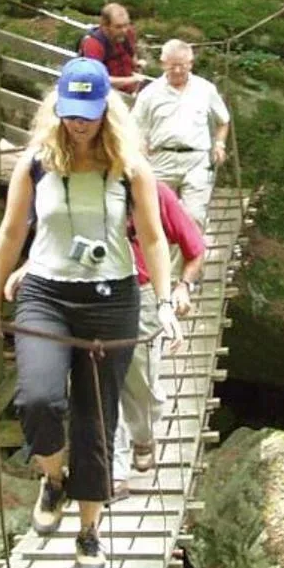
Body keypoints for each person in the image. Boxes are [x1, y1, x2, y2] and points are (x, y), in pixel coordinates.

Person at [0, 57, 181, 568]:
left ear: (105, 111)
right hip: (46, 292)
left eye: (87, 113)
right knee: (39, 399)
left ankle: (89, 531)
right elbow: (10, 232)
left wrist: (165, 303)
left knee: (96, 418)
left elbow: (154, 239)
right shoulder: (36, 162)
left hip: (112, 299)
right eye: (70, 112)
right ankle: (52, 479)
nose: (79, 122)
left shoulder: (130, 167)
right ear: (58, 109)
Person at [113, 180, 205, 493]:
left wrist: (182, 287)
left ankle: (144, 434)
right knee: (98, 379)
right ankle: (115, 469)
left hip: (144, 293)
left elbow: (195, 248)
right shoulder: (86, 185)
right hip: (97, 296)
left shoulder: (155, 192)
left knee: (140, 381)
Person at [132, 38, 231, 226]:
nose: (177, 71)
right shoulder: (149, 93)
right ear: (163, 64)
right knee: (156, 219)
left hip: (196, 160)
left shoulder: (205, 89)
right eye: (172, 66)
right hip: (161, 159)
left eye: (182, 66)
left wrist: (219, 144)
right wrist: (140, 146)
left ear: (191, 64)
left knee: (194, 218)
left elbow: (223, 121)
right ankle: (162, 256)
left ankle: (191, 255)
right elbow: (135, 125)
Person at [79, 2, 146, 95]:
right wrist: (130, 80)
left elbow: (131, 53)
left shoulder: (128, 33)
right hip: (103, 94)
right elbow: (96, 80)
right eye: (118, 27)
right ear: (105, 26)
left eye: (126, 25)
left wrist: (136, 64)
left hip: (130, 90)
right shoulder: (93, 44)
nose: (124, 30)